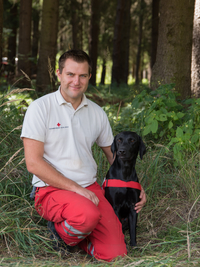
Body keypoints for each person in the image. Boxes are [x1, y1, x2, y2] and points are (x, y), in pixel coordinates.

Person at [21, 49, 146, 261]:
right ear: (59, 74)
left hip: (90, 189)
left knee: (117, 254)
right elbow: (33, 163)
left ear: (89, 77)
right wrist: (76, 189)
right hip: (50, 189)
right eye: (70, 74)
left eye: (82, 75)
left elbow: (114, 158)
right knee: (87, 215)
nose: (76, 81)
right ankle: (61, 231)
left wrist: (135, 186)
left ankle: (78, 235)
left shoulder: (97, 112)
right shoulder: (40, 108)